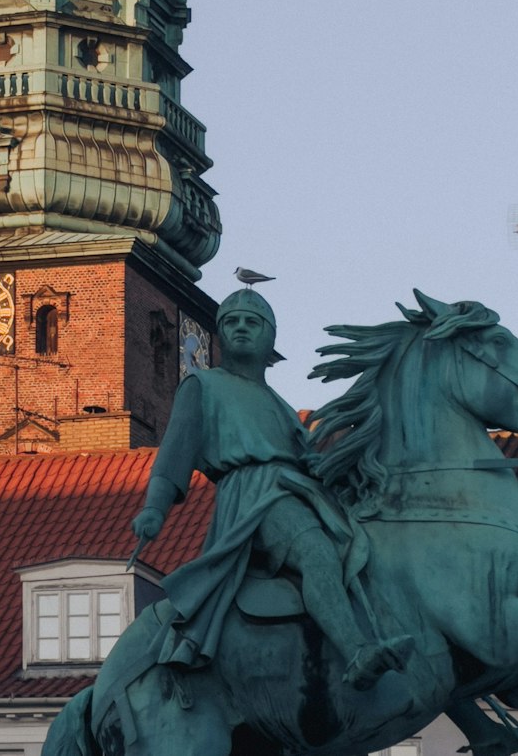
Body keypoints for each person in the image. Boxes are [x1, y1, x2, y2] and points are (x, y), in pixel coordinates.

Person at [132, 289, 412, 689]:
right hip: (255, 495)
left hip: (300, 491)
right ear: (220, 335)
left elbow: (302, 457)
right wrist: (155, 509)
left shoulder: (280, 404)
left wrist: (319, 465)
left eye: (252, 321)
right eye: (231, 322)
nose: (241, 328)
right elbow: (173, 455)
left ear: (272, 338)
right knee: (316, 552)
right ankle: (356, 653)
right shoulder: (202, 384)